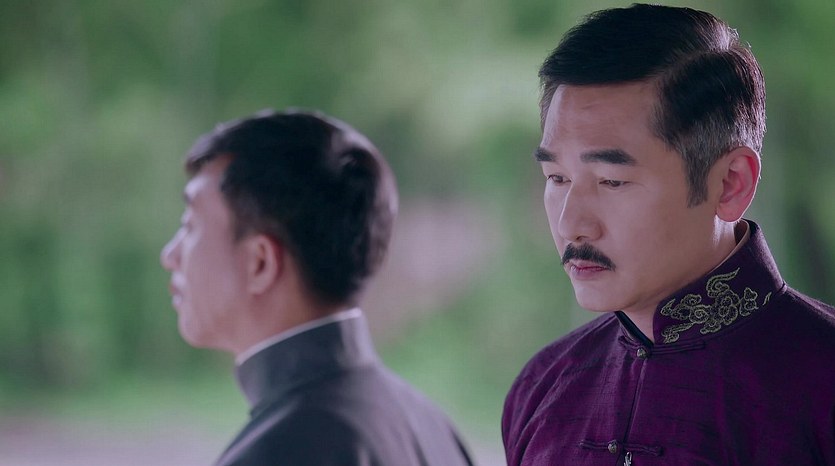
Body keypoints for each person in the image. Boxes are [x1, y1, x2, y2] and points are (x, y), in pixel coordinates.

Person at [502, 4, 835, 465]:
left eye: (612, 181)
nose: (570, 224)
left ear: (730, 183)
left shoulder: (823, 383)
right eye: (557, 178)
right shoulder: (542, 387)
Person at [160, 109, 475, 466]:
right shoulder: (432, 427)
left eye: (190, 226)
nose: (170, 255)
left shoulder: (276, 452)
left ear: (260, 262)